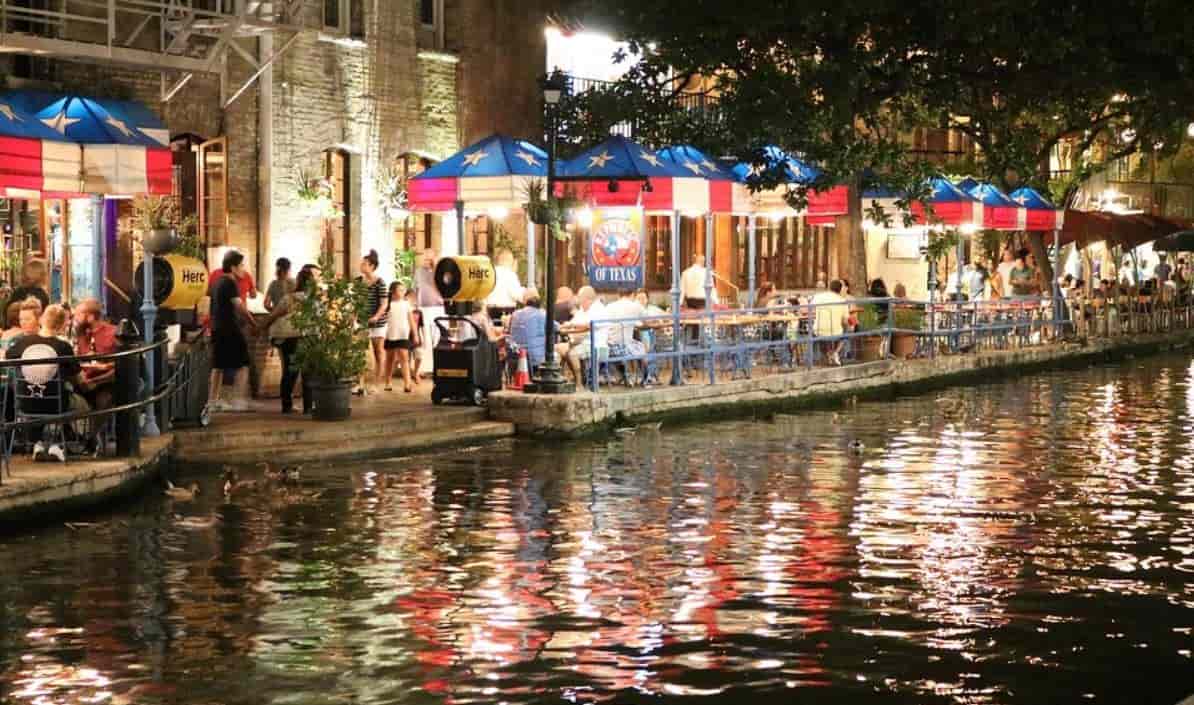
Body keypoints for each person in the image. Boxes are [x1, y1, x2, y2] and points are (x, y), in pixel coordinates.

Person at [8, 305, 92, 462]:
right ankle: (59, 443)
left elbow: (8, 357)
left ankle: (39, 443)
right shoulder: (63, 347)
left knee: (47, 399)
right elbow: (80, 379)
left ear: (41, 320)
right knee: (83, 403)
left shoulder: (23, 343)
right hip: (55, 405)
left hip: (26, 402)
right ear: (61, 326)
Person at [209, 249, 259, 412]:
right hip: (229, 328)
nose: (243, 269)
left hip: (217, 327)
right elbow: (240, 307)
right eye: (241, 265)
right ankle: (238, 400)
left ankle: (213, 401)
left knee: (219, 365)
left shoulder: (217, 282)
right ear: (233, 267)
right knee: (244, 362)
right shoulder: (230, 283)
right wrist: (253, 324)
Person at [264, 264, 318, 414]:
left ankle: (286, 405)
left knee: (289, 371)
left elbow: (273, 315)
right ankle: (308, 407)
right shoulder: (314, 300)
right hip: (308, 337)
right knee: (308, 372)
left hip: (288, 339)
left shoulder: (288, 298)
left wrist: (260, 327)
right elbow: (319, 320)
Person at [556, 286, 609, 384]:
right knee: (558, 348)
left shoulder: (598, 309)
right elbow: (574, 322)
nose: (579, 302)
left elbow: (588, 325)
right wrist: (563, 327)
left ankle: (579, 382)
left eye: (581, 299)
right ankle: (567, 378)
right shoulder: (583, 309)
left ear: (588, 300)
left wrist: (571, 326)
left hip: (596, 345)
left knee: (571, 352)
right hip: (581, 342)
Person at [72, 298, 118, 409]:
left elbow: (123, 365)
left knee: (103, 401)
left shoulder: (113, 333)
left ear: (91, 317)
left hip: (105, 384)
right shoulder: (80, 333)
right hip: (83, 383)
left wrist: (96, 380)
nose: (75, 318)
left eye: (78, 315)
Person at [358, 249, 387, 394]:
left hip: (378, 322)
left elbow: (384, 303)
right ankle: (360, 383)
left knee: (378, 352)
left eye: (364, 264)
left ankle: (376, 384)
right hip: (361, 321)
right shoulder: (358, 281)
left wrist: (376, 316)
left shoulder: (380, 282)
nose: (361, 266)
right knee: (360, 352)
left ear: (372, 266)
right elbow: (355, 302)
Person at [382, 282, 419, 393]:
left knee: (404, 358)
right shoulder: (387, 304)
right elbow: (383, 320)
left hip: (403, 335)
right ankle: (388, 382)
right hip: (390, 335)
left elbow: (411, 320)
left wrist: (415, 334)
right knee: (390, 359)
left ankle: (407, 383)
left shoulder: (406, 304)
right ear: (392, 292)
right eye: (400, 290)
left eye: (404, 290)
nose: (403, 292)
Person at [414, 249, 443, 375]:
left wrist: (435, 267)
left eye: (429, 258)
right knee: (425, 338)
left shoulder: (440, 272)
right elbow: (416, 288)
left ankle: (438, 366)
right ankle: (426, 368)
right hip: (423, 308)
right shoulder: (419, 272)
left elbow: (442, 285)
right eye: (425, 258)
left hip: (438, 307)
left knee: (438, 337)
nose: (427, 261)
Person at [508, 287, 550, 372]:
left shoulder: (515, 314)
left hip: (515, 357)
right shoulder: (542, 314)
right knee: (557, 352)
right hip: (535, 359)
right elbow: (557, 327)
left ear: (524, 301)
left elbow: (509, 331)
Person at [811, 280, 850, 366]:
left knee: (813, 332)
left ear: (829, 288)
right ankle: (835, 352)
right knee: (848, 330)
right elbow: (845, 321)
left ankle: (815, 359)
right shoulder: (843, 301)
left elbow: (809, 310)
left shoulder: (819, 297)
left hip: (818, 331)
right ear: (840, 290)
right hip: (835, 333)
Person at [485, 248, 524, 317]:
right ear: (509, 260)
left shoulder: (490, 272)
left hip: (489, 310)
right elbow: (516, 295)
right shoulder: (510, 274)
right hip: (506, 311)